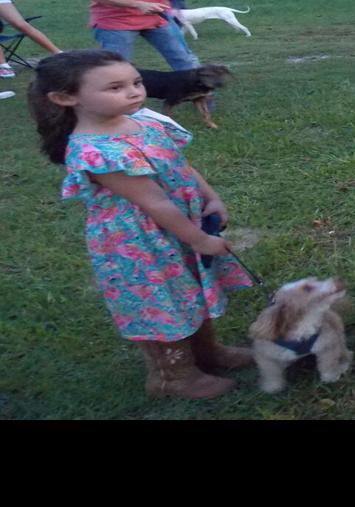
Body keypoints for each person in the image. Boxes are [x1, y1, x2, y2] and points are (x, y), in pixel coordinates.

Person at [29, 49, 256, 399]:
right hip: (139, 242)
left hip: (177, 226)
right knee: (161, 300)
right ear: (65, 98)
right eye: (115, 87)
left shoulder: (147, 121)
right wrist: (198, 239)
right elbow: (153, 201)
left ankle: (207, 352)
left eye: (136, 82)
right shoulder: (95, 151)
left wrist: (210, 196)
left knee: (190, 289)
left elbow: (182, 165)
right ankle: (173, 376)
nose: (135, 91)